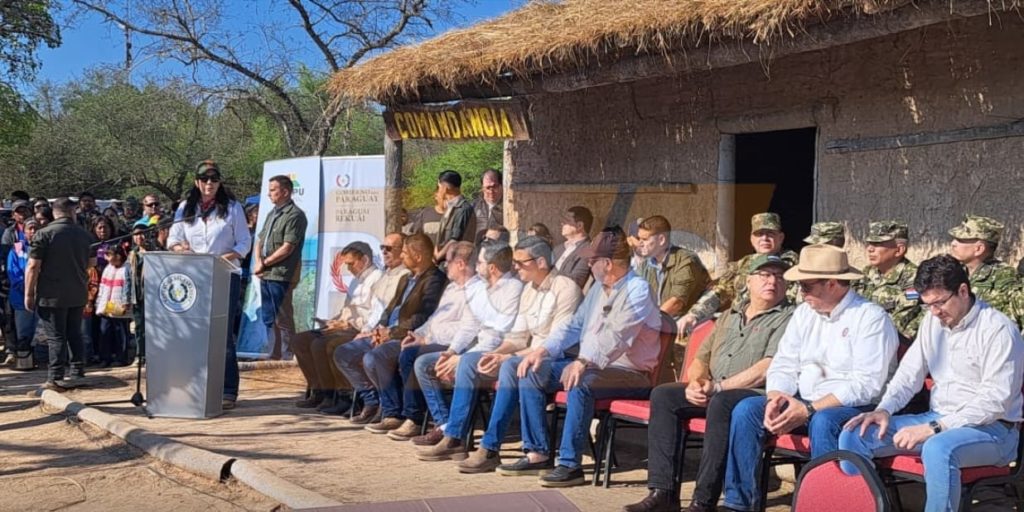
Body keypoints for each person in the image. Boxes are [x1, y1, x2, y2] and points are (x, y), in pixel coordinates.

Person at [458, 227, 662, 488]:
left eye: (593, 261)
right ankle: (538, 454)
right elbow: (574, 326)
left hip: (630, 373)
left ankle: (570, 464)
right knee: (529, 369)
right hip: (594, 366)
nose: (589, 265)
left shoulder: (638, 290)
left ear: (608, 263)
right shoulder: (600, 288)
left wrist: (583, 360)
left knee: (580, 381)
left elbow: (617, 335)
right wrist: (542, 351)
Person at [718, 244, 899, 511]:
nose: (800, 293)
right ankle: (738, 503)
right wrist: (775, 397)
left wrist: (810, 409)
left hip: (855, 406)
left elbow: (867, 385)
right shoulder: (805, 313)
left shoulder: (870, 318)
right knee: (747, 410)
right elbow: (784, 363)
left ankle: (825, 504)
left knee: (824, 421)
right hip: (806, 399)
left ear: (833, 284)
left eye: (806, 286)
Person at [840, 254, 1024, 512]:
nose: (935, 312)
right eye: (927, 305)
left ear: (962, 290)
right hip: (938, 418)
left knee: (939, 448)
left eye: (939, 303)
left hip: (993, 430)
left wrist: (935, 428)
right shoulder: (932, 322)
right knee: (855, 434)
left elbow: (994, 401)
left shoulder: (998, 330)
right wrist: (884, 409)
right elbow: (908, 375)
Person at [624, 254, 795, 512]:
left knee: (722, 403)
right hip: (714, 388)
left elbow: (767, 368)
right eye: (764, 275)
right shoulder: (729, 315)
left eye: (779, 277)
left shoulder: (789, 318)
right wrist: (696, 382)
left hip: (752, 394)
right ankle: (663, 492)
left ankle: (703, 501)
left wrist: (718, 388)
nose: (772, 281)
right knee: (664, 395)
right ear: (748, 281)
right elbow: (701, 357)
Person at [416, 236, 582, 458]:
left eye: (521, 262)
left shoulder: (564, 288)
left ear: (541, 262)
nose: (515, 267)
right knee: (470, 361)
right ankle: (455, 436)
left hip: (557, 359)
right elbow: (517, 337)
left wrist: (507, 356)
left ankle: (490, 446)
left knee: (509, 366)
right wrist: (493, 355)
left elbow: (556, 342)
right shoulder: (529, 290)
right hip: (527, 354)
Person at [399, 240, 523, 442]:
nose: (477, 266)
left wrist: (461, 356)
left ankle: (455, 436)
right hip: (474, 349)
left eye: (480, 262)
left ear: (491, 268)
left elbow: (496, 336)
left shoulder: (512, 289)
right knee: (424, 363)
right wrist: (451, 352)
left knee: (464, 363)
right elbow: (469, 325)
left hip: (495, 351)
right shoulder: (483, 288)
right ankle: (444, 423)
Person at [334, 233, 447, 426]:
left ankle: (393, 413)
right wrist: (379, 329)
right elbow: (391, 309)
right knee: (343, 353)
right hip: (388, 332)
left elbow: (422, 317)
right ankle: (372, 401)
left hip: (408, 335)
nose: (401, 257)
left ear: (418, 256)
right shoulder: (408, 279)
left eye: (404, 253)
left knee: (374, 357)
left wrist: (391, 333)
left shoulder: (434, 280)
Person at [167, 160, 251, 409]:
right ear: (196, 182)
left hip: (224, 275)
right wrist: (179, 247)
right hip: (193, 277)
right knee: (195, 333)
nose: (209, 184)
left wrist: (224, 258)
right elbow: (173, 237)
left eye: (214, 180)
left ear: (219, 183)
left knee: (222, 335)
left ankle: (227, 389)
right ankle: (197, 386)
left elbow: (244, 242)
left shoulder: (233, 208)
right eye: (204, 180)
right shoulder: (186, 208)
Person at [386, 242, 482, 439]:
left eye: (448, 262)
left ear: (461, 264)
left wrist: (428, 338)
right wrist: (417, 334)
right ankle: (424, 417)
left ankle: (423, 418)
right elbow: (435, 318)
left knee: (415, 358)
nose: (445, 266)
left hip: (460, 347)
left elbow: (467, 330)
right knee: (408, 352)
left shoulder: (477, 291)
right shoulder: (452, 288)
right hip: (437, 340)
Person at [292, 241, 383, 413]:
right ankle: (318, 389)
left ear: (364, 259)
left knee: (323, 345)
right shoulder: (356, 281)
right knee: (300, 340)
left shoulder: (377, 278)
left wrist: (347, 323)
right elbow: (347, 309)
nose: (348, 269)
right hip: (345, 326)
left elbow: (375, 315)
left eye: (351, 263)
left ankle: (340, 395)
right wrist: (333, 321)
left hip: (361, 330)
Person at [678, 213, 799, 333]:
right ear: (752, 239)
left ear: (781, 238)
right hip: (740, 328)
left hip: (777, 328)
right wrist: (693, 315)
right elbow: (719, 292)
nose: (764, 238)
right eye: (759, 234)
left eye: (770, 234)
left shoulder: (795, 266)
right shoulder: (742, 265)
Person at [25, 198, 93, 391]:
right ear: (72, 212)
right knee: (74, 333)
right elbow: (92, 263)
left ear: (54, 213)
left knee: (56, 336)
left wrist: (29, 294)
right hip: (78, 292)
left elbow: (32, 266)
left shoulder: (44, 234)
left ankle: (55, 378)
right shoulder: (84, 234)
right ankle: (78, 372)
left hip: (51, 293)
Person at [252, 175, 308, 360]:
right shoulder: (272, 213)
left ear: (285, 191)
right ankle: (273, 354)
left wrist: (265, 263)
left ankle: (287, 356)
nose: (269, 194)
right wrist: (259, 262)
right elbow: (260, 240)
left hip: (281, 274)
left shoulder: (295, 215)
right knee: (269, 317)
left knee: (282, 317)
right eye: (269, 190)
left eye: (273, 190)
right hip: (266, 273)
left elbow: (287, 247)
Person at [853, 220, 923, 343]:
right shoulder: (867, 273)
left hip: (891, 343)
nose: (870, 249)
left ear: (899, 250)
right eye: (869, 243)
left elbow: (902, 318)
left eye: (878, 244)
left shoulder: (913, 278)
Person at [947, 214, 1023, 327]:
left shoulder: (1005, 277)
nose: (953, 243)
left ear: (979, 249)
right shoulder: (953, 273)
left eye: (960, 240)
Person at [634, 215, 710, 320]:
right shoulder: (645, 266)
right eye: (639, 238)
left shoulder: (686, 260)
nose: (640, 243)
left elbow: (676, 303)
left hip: (688, 326)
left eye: (645, 239)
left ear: (661, 240)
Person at [7, 219, 40, 370]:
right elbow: (13, 272)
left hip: (42, 296)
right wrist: (28, 287)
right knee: (24, 331)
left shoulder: (45, 247)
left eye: (35, 228)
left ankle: (40, 359)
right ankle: (25, 361)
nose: (33, 231)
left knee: (40, 332)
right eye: (30, 229)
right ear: (24, 231)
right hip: (21, 298)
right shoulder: (17, 247)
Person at [95, 245, 132, 367]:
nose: (107, 258)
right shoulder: (107, 268)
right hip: (107, 305)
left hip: (119, 306)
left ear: (118, 256)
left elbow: (128, 287)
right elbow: (102, 286)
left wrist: (126, 302)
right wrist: (99, 302)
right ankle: (105, 358)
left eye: (109, 255)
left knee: (120, 332)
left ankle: (121, 358)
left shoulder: (126, 268)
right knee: (104, 332)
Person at [433, 171, 476, 262]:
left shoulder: (463, 209)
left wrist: (437, 257)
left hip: (454, 262)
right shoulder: (449, 207)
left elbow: (455, 239)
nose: (438, 190)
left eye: (439, 187)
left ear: (445, 188)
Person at [553, 206, 594, 290]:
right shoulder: (558, 248)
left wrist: (547, 277)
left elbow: (576, 280)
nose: (562, 223)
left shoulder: (588, 251)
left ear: (579, 225)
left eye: (567, 221)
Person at [473, 169, 503, 242]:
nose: (491, 191)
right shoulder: (474, 207)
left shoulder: (509, 208)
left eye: (494, 186)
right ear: (482, 188)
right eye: (487, 187)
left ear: (501, 185)